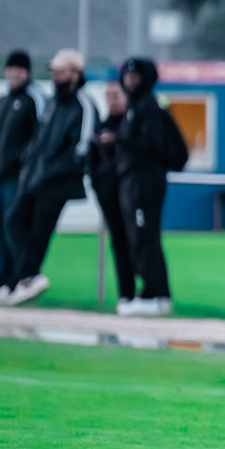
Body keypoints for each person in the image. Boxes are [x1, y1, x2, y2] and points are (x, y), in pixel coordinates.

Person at [1, 50, 97, 306]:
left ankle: (25, 278)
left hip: (58, 183)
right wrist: (31, 167)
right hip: (34, 178)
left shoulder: (83, 104)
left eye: (60, 71)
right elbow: (38, 141)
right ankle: (23, 278)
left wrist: (52, 170)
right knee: (13, 221)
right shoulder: (54, 102)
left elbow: (82, 148)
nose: (55, 76)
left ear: (74, 73)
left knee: (38, 232)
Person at [116, 57, 187, 315]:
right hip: (135, 181)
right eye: (127, 76)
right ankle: (154, 292)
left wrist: (119, 141)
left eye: (135, 76)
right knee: (140, 236)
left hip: (145, 181)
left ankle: (154, 294)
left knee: (146, 236)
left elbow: (152, 145)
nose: (130, 81)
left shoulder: (147, 106)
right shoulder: (134, 105)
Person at [88, 80, 137, 311]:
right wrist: (98, 184)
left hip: (132, 194)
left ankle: (149, 293)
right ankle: (126, 293)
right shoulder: (101, 126)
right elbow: (91, 161)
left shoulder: (132, 124)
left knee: (137, 241)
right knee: (118, 242)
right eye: (108, 95)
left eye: (116, 94)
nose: (112, 99)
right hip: (109, 195)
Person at [0, 49, 42, 289]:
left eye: (19, 70)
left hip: (16, 177)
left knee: (13, 224)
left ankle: (17, 278)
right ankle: (3, 279)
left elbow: (38, 140)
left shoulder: (31, 100)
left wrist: (23, 165)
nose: (14, 74)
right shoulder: (4, 101)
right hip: (1, 175)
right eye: (11, 69)